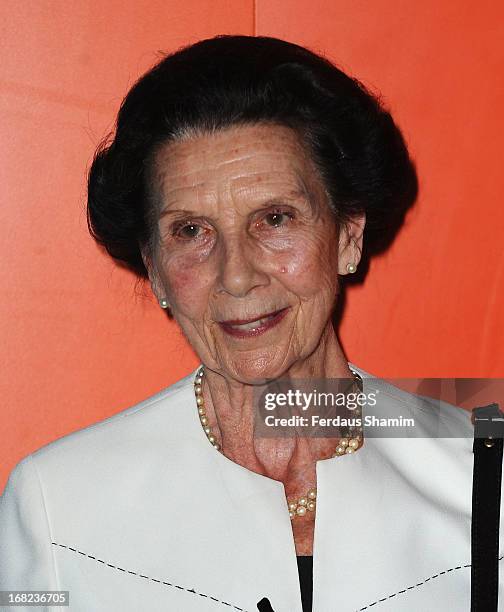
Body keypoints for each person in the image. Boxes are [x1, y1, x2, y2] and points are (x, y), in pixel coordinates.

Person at [0, 34, 493, 612]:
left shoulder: (486, 477)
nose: (236, 277)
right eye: (191, 231)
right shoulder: (57, 505)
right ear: (154, 270)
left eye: (275, 218)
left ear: (347, 238)